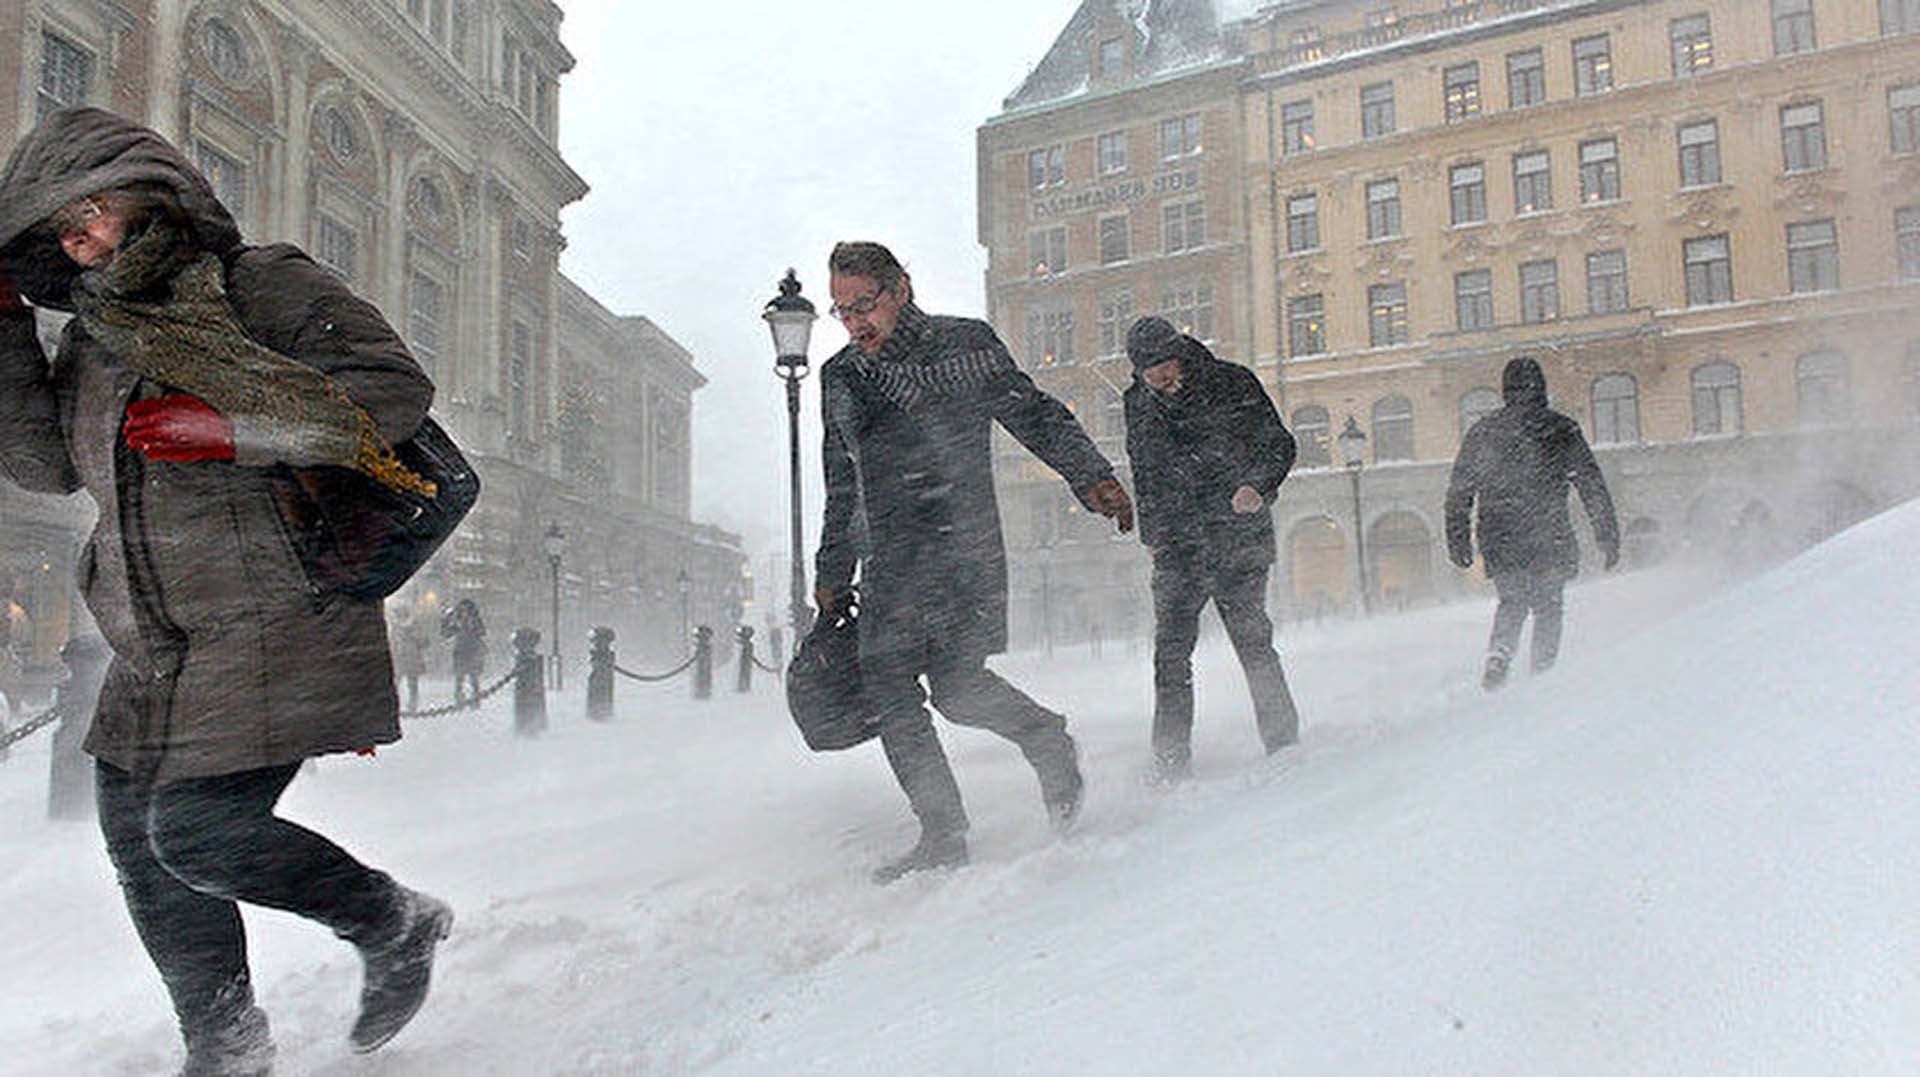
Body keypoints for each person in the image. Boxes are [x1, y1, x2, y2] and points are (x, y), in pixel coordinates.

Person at [0, 108, 452, 1074]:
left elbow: (393, 393)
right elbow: (43, 463)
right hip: (152, 633)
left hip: (277, 614)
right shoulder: (94, 336)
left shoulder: (260, 284)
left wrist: (231, 425)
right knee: (140, 846)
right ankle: (226, 1045)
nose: (76, 237)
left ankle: (392, 918)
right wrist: (5, 329)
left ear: (147, 193)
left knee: (199, 834)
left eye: (90, 209)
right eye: (58, 227)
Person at [814, 241, 1134, 884]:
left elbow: (1034, 413)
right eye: (841, 311)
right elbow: (840, 478)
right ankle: (943, 832)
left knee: (958, 690)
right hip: (889, 562)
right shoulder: (841, 376)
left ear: (900, 289)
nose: (854, 324)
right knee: (891, 691)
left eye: (863, 306)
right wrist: (831, 568)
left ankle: (1045, 738)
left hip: (962, 550)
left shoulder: (965, 346)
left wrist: (1090, 476)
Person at [1123, 317, 1301, 782]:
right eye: (1149, 370)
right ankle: (1169, 756)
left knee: (1252, 641)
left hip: (1236, 535)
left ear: (1179, 353)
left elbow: (1279, 443)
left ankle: (1283, 741)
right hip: (1177, 547)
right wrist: (1152, 536)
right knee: (1170, 653)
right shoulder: (1136, 403)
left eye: (1165, 364)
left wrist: (1256, 486)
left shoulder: (1231, 381)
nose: (1161, 377)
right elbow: (1145, 474)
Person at [1444, 356, 1620, 690]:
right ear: (1541, 387)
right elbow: (1590, 483)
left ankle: (1499, 653)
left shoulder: (1483, 431)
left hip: (1499, 535)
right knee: (1548, 605)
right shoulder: (1560, 428)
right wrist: (1606, 535)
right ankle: (1543, 673)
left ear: (1505, 390)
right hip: (1548, 530)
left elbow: (1459, 490)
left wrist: (1459, 540)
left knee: (1511, 601)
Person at [442, 598, 486, 708]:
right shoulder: (456, 621)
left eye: (466, 610)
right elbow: (446, 633)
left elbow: (482, 631)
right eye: (462, 610)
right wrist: (448, 622)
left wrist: (472, 628)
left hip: (473, 650)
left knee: (474, 678)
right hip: (460, 651)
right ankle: (459, 700)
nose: (464, 612)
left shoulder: (475, 620)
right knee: (459, 678)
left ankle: (475, 701)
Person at [390, 608, 428, 712]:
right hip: (402, 658)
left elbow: (424, 642)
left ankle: (412, 704)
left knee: (411, 683)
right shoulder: (396, 628)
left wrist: (415, 638)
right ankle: (395, 704)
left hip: (411, 658)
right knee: (397, 683)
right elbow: (392, 643)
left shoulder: (414, 627)